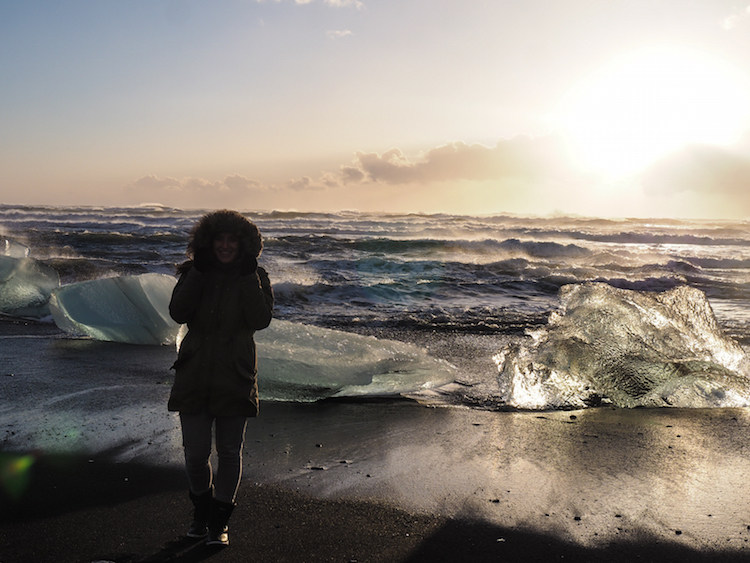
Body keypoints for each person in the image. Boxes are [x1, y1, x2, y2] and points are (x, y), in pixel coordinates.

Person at [168, 210, 274, 547]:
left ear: (244, 245)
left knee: (229, 452)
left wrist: (246, 277)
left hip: (236, 374)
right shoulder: (193, 272)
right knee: (195, 454)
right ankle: (201, 513)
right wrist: (198, 271)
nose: (226, 246)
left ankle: (219, 524)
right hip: (195, 373)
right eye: (220, 240)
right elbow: (178, 313)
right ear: (208, 243)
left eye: (232, 240)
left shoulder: (256, 275)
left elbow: (260, 319)